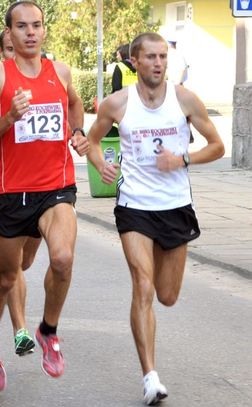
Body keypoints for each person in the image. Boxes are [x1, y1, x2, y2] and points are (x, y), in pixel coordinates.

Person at [86, 32, 224, 405]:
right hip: (134, 206)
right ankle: (150, 377)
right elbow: (94, 140)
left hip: (175, 205)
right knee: (143, 287)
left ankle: (150, 368)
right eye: (150, 57)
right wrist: (102, 165)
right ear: (135, 61)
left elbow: (217, 146)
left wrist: (181, 160)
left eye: (163, 56)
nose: (159, 63)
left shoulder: (184, 99)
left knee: (167, 295)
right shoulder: (117, 104)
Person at [0, 1, 88, 391]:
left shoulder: (61, 71)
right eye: (22, 26)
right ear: (9, 33)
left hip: (56, 187)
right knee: (6, 278)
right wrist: (9, 119)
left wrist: (76, 131)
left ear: (43, 30)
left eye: (36, 25)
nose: (30, 33)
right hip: (11, 192)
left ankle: (48, 330)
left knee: (63, 257)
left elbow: (74, 102)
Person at [0, 29, 40, 357]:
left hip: (39, 182)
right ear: (2, 52)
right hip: (1, 177)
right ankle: (20, 330)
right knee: (13, 268)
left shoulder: (44, 79)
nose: (16, 54)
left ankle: (3, 280)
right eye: (9, 50)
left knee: (22, 263)